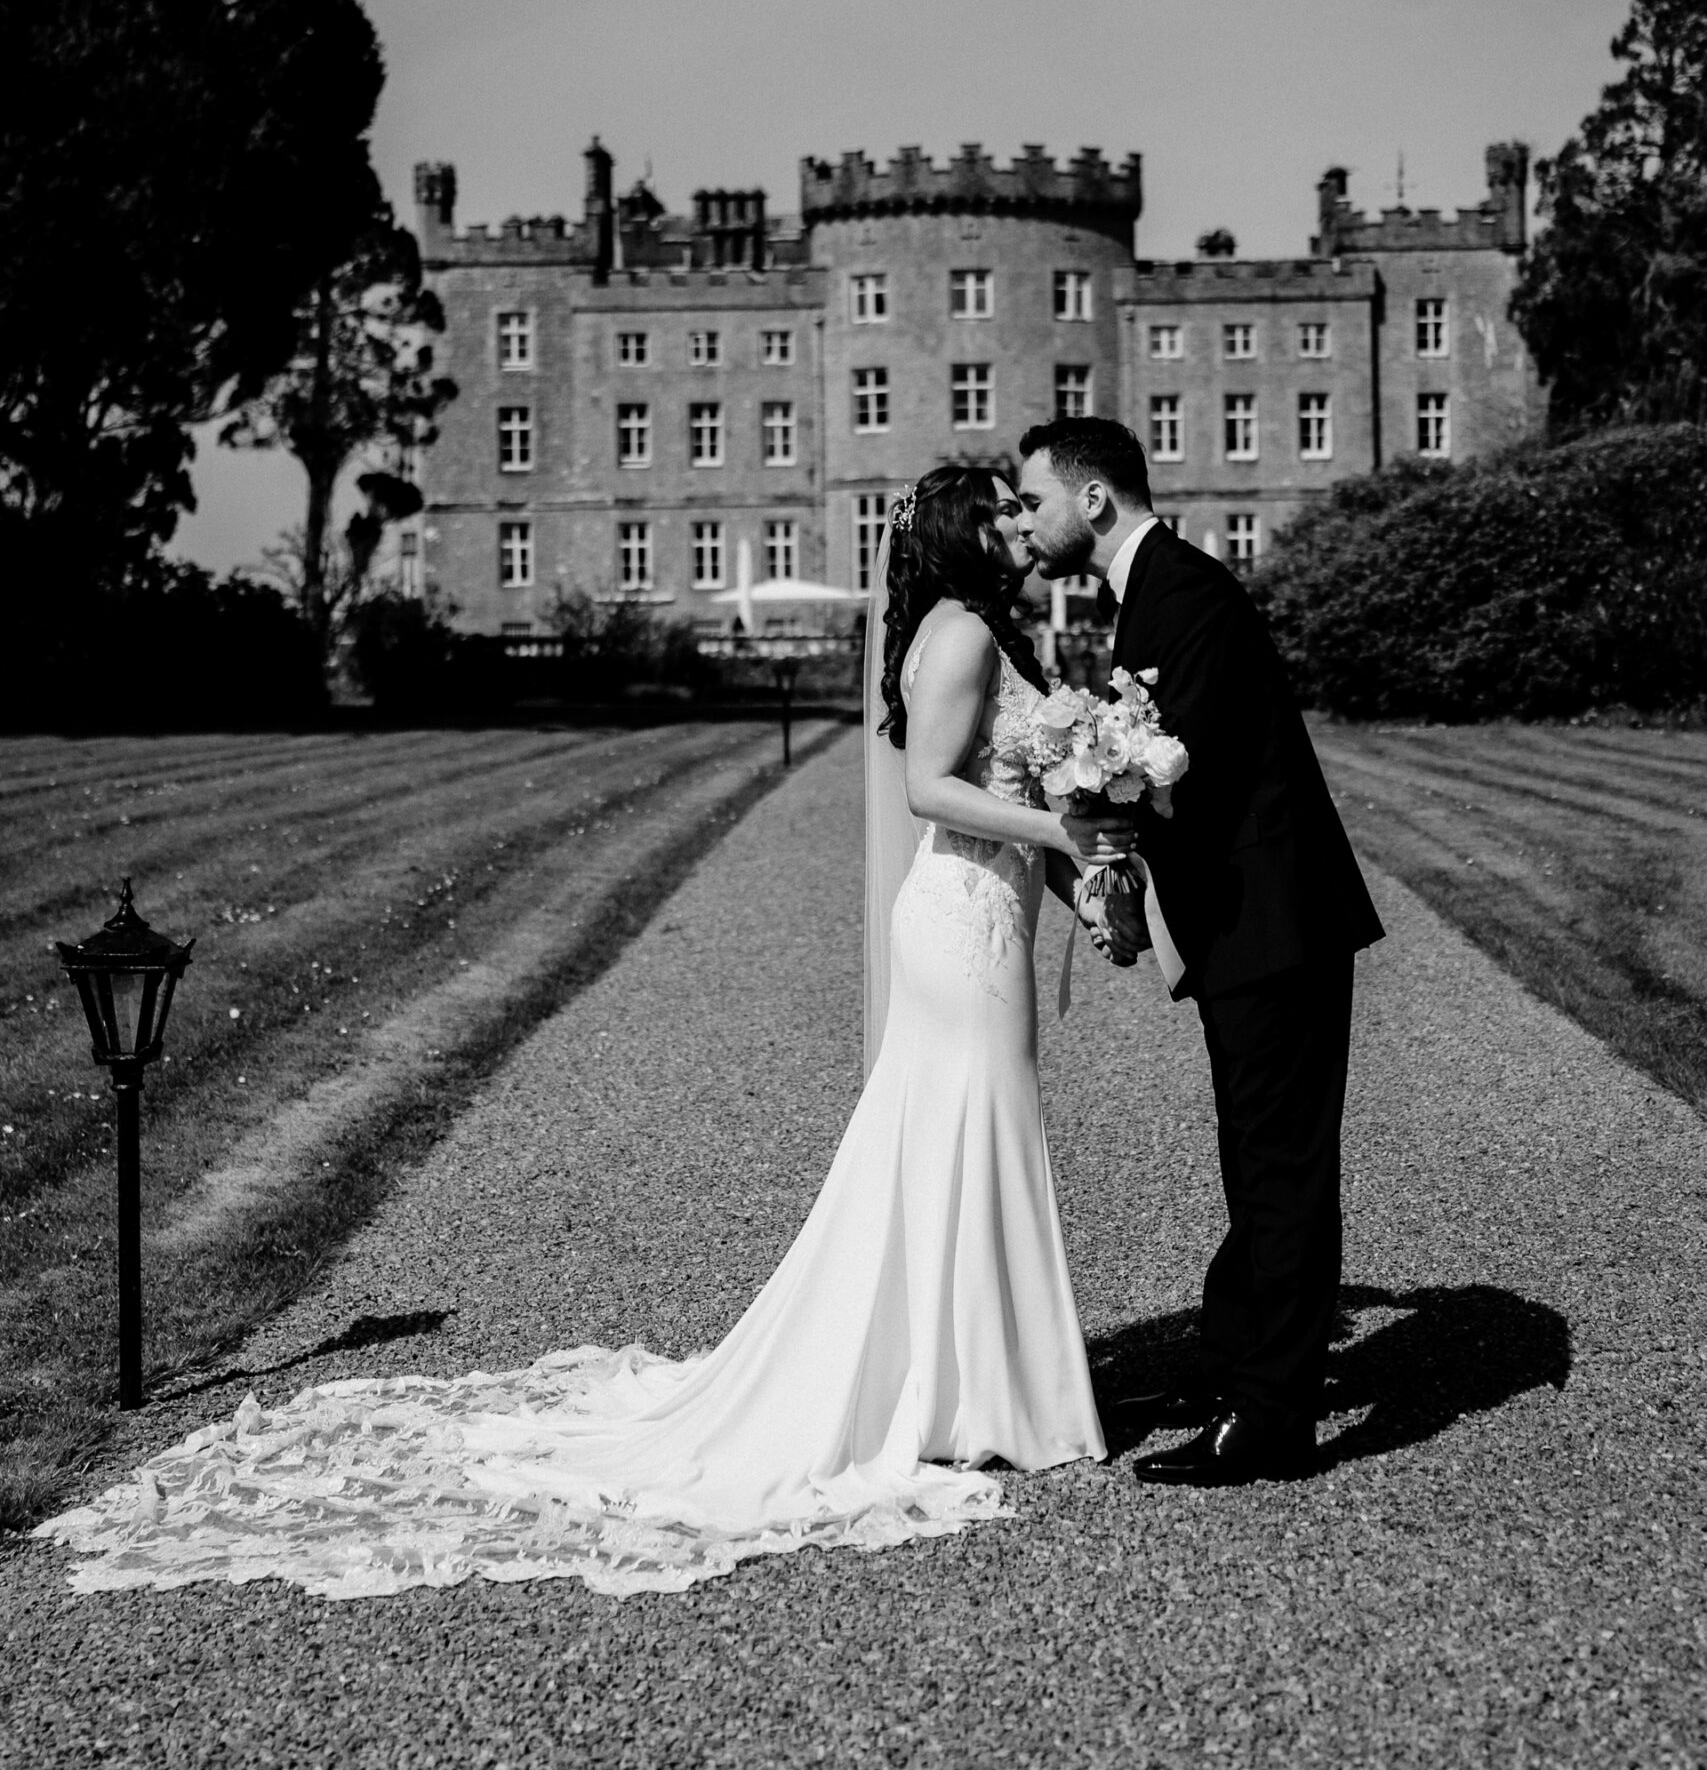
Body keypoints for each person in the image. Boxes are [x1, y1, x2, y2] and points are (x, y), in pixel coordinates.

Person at [39, 466, 1123, 1602]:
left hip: (979, 914)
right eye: (998, 506)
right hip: (962, 919)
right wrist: (1066, 822)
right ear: (961, 530)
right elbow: (929, 792)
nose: (1015, 518)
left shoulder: (967, 626)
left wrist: (1076, 851)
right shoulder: (958, 637)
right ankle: (981, 1385)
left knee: (956, 1136)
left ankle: (968, 1381)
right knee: (964, 1129)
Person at [1016, 415, 1383, 1485]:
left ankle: (1273, 1417)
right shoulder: (1158, 589)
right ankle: (1235, 1359)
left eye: (1034, 498)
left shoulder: (1181, 592)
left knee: (1282, 1165)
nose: (1026, 520)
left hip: (1278, 925)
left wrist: (1110, 847)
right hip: (1252, 924)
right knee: (1255, 1152)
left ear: (1094, 499)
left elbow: (1187, 768)